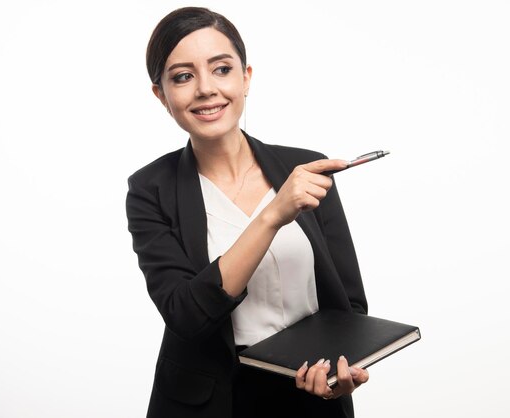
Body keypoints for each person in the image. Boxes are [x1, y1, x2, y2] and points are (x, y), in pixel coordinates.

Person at [126, 7, 370, 418]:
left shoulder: (307, 169)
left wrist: (338, 370)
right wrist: (271, 215)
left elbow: (350, 306)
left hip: (311, 393)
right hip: (209, 401)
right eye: (183, 76)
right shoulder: (150, 189)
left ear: (246, 77)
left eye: (221, 69)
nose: (206, 88)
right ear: (161, 96)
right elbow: (186, 314)